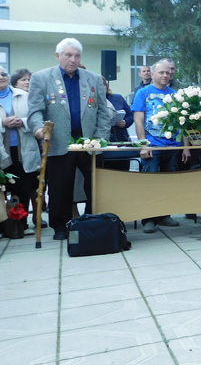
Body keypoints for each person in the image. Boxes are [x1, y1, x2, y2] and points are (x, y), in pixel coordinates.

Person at [27, 38, 115, 240]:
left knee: (95, 184)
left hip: (89, 142)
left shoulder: (92, 78)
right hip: (59, 142)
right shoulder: (41, 78)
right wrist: (39, 129)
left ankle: (95, 220)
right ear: (58, 56)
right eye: (68, 55)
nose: (73, 60)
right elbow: (35, 110)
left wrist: (101, 138)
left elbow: (103, 110)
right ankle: (61, 226)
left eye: (77, 56)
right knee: (60, 186)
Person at [132, 59, 190, 233]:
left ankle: (164, 215)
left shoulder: (176, 95)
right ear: (152, 74)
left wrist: (185, 147)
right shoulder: (143, 93)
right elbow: (138, 120)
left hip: (172, 146)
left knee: (168, 184)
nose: (165, 75)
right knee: (150, 183)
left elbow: (184, 124)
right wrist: (143, 145)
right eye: (161, 72)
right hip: (152, 146)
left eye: (168, 72)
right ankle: (148, 219)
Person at [0, 67, 43, 229]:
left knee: (23, 187)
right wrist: (2, 123)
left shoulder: (25, 96)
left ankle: (20, 224)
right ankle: (4, 224)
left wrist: (23, 122)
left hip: (22, 150)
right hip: (1, 152)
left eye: (4, 74)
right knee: (3, 191)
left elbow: (37, 118)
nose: (1, 77)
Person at [101, 77, 135, 171]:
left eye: (103, 84)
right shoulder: (91, 100)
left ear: (106, 86)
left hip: (120, 138)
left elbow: (131, 115)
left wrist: (125, 122)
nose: (101, 87)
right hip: (102, 141)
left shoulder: (117, 98)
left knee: (122, 170)